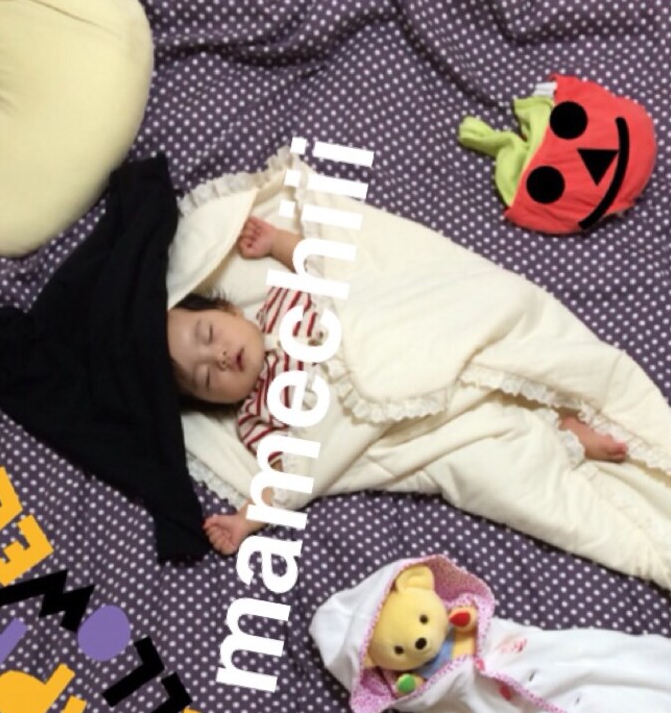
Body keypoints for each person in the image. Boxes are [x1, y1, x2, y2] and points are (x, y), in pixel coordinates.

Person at [167, 217, 628, 556]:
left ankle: (552, 392)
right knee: (483, 451)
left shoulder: (282, 302)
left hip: (403, 346)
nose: (219, 357)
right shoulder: (256, 419)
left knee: (486, 333)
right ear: (212, 404)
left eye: (209, 335)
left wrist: (276, 241)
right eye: (206, 378)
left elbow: (324, 268)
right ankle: (560, 435)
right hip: (396, 423)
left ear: (230, 312)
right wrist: (245, 522)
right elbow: (286, 475)